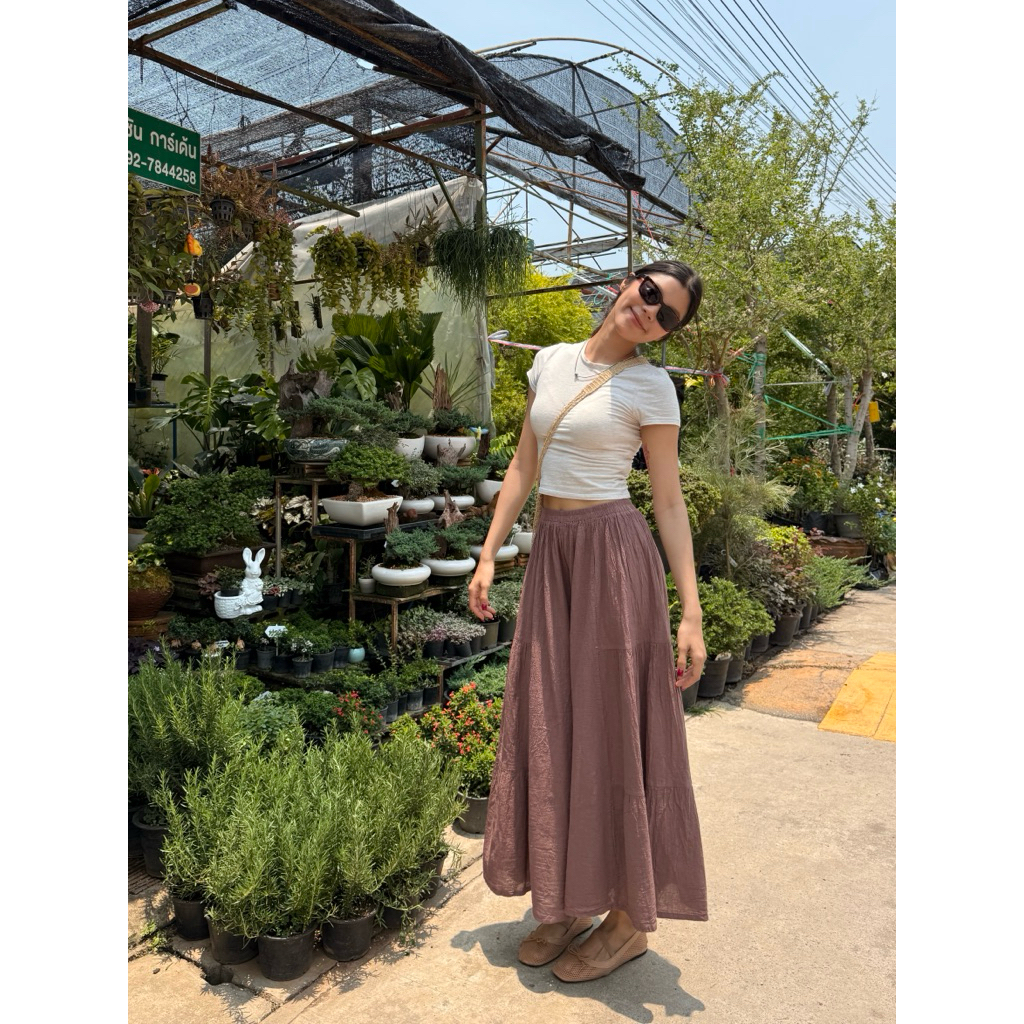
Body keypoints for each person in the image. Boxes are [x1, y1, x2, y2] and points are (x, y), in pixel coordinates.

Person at [468, 260, 709, 984]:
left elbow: (668, 501)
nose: (651, 312)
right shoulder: (548, 362)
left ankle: (630, 920)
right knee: (554, 720)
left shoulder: (652, 387)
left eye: (667, 316)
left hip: (612, 558)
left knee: (613, 728)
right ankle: (569, 897)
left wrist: (691, 611)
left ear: (667, 334)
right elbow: (523, 465)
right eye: (649, 293)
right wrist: (488, 555)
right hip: (553, 557)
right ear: (627, 283)